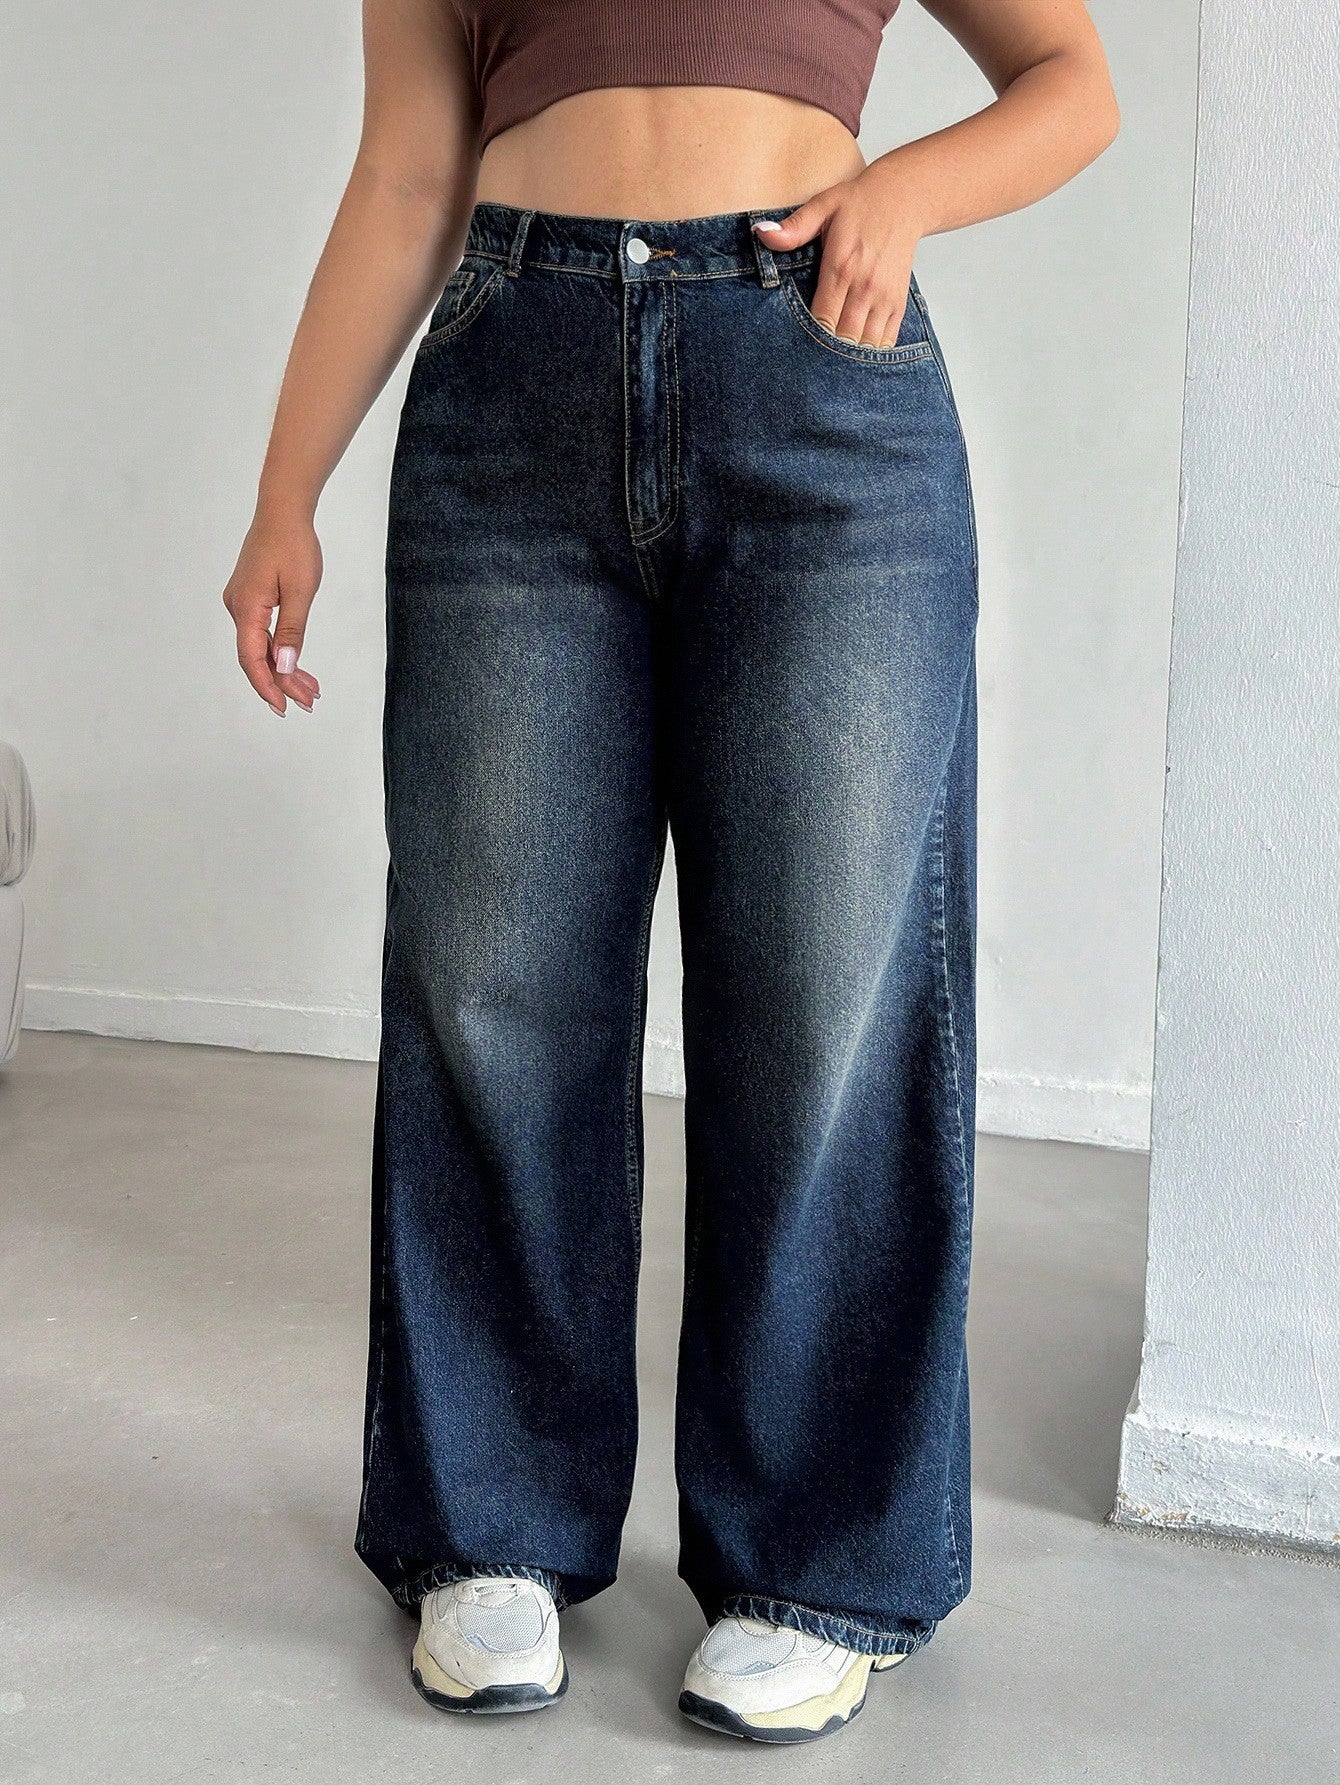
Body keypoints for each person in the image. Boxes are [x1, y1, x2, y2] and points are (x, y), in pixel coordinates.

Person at [222, 0, 1118, 1747]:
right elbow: (408, 171)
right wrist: (284, 490)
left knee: (827, 996)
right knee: (493, 984)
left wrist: (904, 193)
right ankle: (490, 1525)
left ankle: (818, 1561)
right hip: (509, 392)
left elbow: (1071, 84)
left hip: (820, 391)